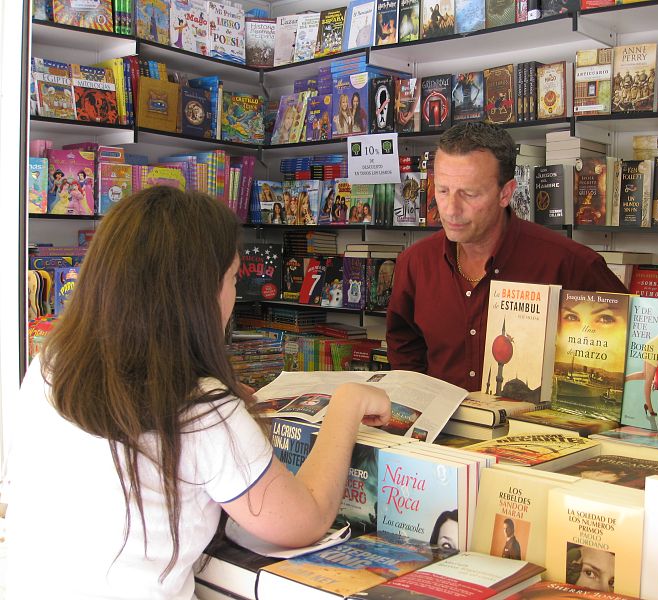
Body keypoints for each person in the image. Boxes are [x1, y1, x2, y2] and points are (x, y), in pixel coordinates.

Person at [5, 187, 391, 599]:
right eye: (232, 278)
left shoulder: (52, 362)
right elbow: (305, 520)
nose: (233, 297)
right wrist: (346, 407)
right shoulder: (202, 407)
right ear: (194, 292)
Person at [386, 122, 627, 390]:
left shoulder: (571, 263)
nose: (451, 209)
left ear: (506, 193)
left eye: (469, 193)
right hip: (442, 427)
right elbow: (404, 346)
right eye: (442, 190)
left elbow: (621, 346)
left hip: (532, 429)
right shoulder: (416, 262)